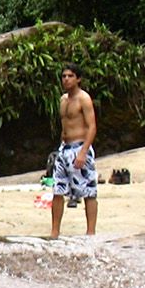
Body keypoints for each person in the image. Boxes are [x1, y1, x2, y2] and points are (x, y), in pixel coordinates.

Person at [50, 63, 98, 237]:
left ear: (78, 79)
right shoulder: (63, 100)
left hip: (80, 147)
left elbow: (92, 127)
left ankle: (90, 233)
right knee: (57, 190)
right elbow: (64, 126)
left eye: (70, 76)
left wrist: (84, 152)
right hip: (64, 149)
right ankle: (54, 232)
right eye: (64, 76)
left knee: (88, 192)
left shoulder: (83, 99)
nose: (66, 79)